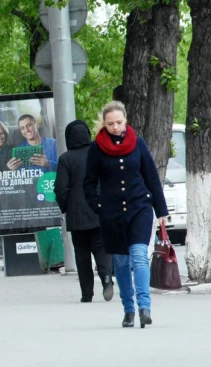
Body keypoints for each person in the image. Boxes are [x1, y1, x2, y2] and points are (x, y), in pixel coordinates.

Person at [83, 101, 168, 328]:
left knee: (139, 256)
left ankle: (144, 307)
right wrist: (99, 207)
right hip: (111, 214)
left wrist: (161, 211)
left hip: (139, 207)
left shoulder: (137, 143)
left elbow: (151, 177)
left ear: (126, 120)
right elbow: (89, 184)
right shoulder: (96, 148)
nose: (115, 127)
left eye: (119, 122)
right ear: (104, 123)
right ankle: (128, 309)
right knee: (121, 262)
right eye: (110, 123)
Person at [54, 120, 114, 303]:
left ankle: (86, 293)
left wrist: (65, 208)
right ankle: (106, 278)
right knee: (102, 249)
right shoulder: (99, 152)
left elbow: (61, 189)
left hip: (77, 215)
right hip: (100, 210)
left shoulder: (66, 159)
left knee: (82, 254)